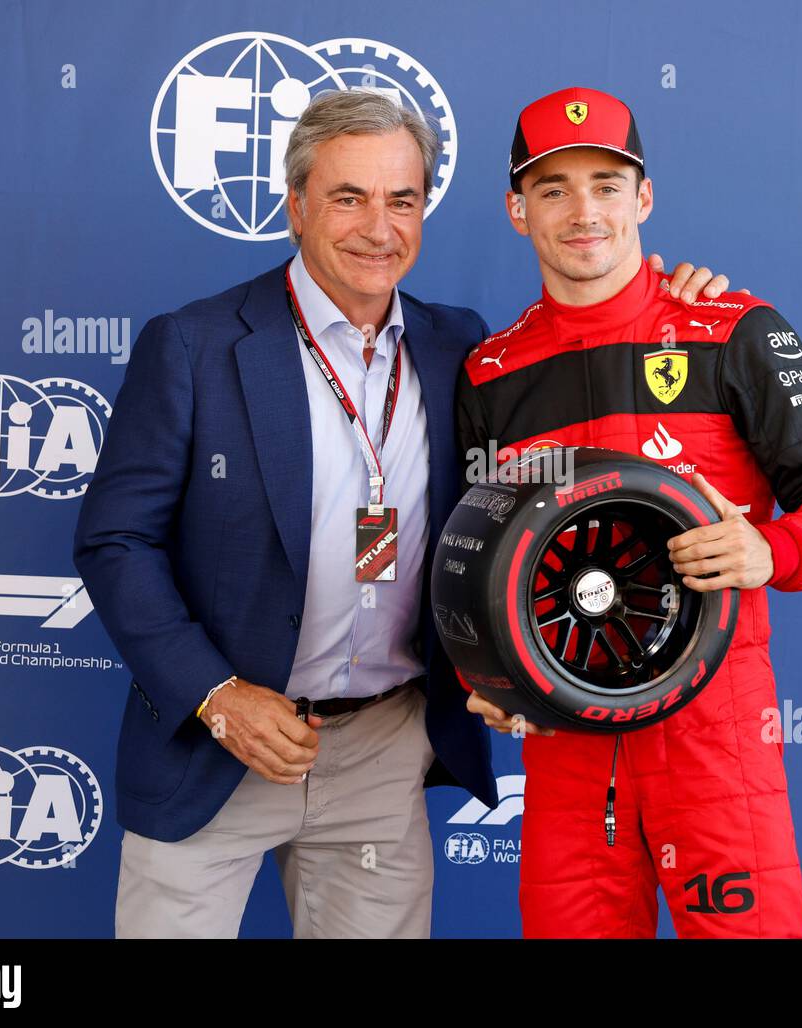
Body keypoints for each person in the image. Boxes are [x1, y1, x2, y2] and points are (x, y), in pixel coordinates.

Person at [73, 88, 729, 938]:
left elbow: (558, 469)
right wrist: (218, 695)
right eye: (348, 198)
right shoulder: (195, 345)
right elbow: (116, 540)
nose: (378, 227)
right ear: (297, 204)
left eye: (402, 200)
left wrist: (673, 302)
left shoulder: (465, 348)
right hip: (223, 745)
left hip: (386, 749)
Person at [455, 87, 802, 938]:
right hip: (566, 747)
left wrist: (772, 550)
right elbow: (468, 558)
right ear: (516, 209)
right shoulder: (489, 373)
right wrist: (485, 680)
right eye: (553, 189)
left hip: (716, 737)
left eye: (607, 185)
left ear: (643, 198)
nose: (584, 212)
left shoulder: (737, 328)